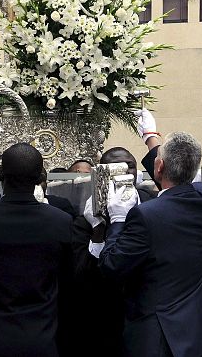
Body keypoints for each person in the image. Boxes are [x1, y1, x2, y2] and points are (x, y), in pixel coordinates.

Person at [99, 131, 202, 357]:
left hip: (155, 339)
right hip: (196, 335)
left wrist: (117, 220)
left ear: (159, 167)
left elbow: (111, 266)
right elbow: (177, 183)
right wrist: (151, 137)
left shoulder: (143, 215)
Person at [0, 142, 73, 357]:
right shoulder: (61, 221)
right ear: (40, 178)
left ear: (0, 175)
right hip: (41, 336)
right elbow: (67, 278)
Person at [70, 146, 156, 356]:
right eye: (117, 169)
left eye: (131, 167)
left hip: (149, 316)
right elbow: (82, 276)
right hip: (103, 319)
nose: (126, 173)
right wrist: (98, 230)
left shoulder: (154, 206)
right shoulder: (87, 218)